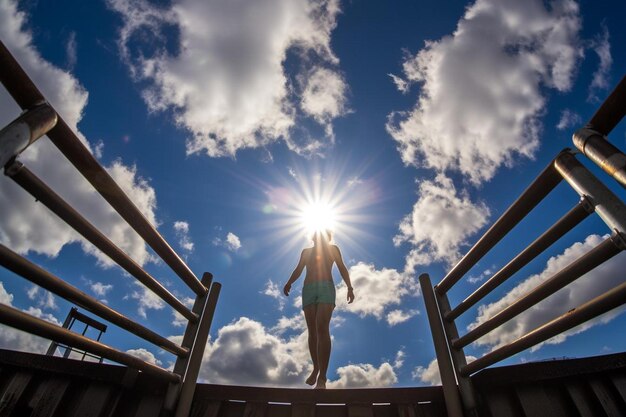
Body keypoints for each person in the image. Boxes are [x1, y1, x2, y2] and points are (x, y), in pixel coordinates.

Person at [283, 229, 355, 389]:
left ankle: (322, 377)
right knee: (312, 331)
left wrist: (350, 287)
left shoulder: (333, 249)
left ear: (328, 237)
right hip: (308, 289)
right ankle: (316, 367)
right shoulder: (306, 252)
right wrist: (289, 282)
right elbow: (298, 269)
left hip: (326, 288)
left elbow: (342, 267)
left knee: (322, 327)